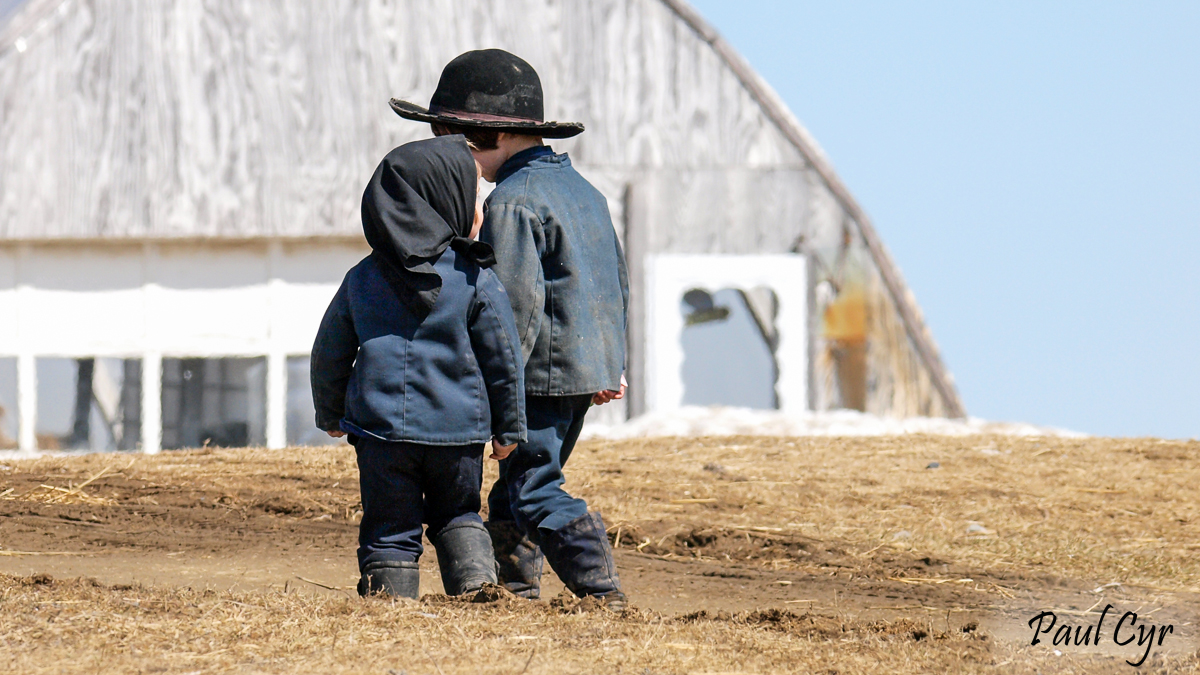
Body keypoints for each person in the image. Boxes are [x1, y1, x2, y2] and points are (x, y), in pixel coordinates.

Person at [391, 49, 630, 610]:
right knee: (516, 491)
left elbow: (513, 311)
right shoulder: (585, 192)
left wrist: (494, 396)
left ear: (479, 136)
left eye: (449, 139)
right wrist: (608, 363)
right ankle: (515, 597)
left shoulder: (513, 202)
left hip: (537, 377)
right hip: (581, 369)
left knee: (534, 486)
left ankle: (604, 596)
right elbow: (612, 281)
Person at [310, 135, 527, 600]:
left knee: (389, 524)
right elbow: (503, 360)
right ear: (441, 204)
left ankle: (388, 604)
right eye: (474, 198)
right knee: (459, 514)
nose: (481, 209)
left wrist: (329, 412)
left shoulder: (362, 277)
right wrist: (509, 427)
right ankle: (478, 591)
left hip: (380, 432)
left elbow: (329, 350)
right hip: (458, 433)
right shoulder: (475, 278)